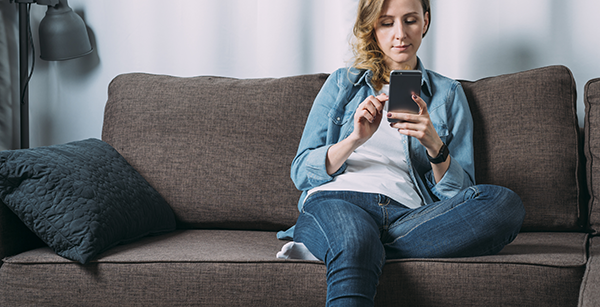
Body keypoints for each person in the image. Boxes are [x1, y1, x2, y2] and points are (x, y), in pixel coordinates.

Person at [277, 0, 526, 306]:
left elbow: (461, 194)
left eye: (410, 20)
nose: (400, 34)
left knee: (504, 203)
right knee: (355, 237)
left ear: (426, 20)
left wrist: (434, 144)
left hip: (408, 217)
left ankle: (348, 248)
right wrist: (355, 138)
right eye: (386, 23)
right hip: (339, 201)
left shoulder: (447, 94)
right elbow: (301, 171)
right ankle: (351, 244)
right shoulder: (343, 83)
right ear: (372, 28)